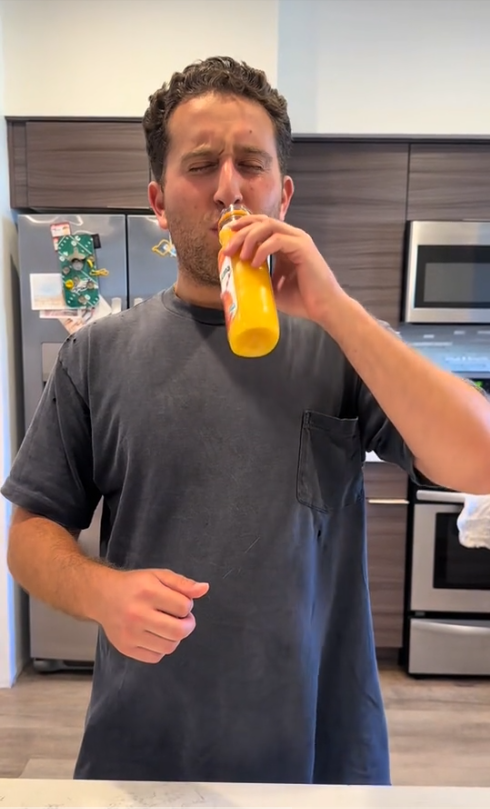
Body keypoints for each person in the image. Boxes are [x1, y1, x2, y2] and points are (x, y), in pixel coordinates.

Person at [2, 56, 490, 787]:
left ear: (282, 193)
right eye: (201, 165)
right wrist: (102, 593)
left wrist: (337, 308)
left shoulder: (340, 342)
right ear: (159, 203)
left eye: (250, 164)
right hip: (143, 753)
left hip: (321, 755)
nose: (229, 186)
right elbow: (30, 537)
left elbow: (478, 458)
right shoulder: (95, 353)